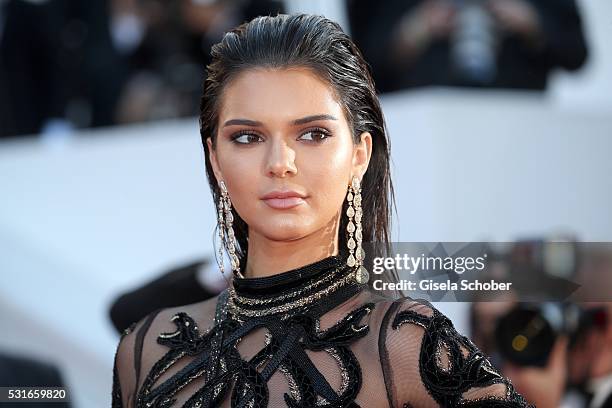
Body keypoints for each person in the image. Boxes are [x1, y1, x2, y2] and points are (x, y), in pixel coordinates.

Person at [111, 14, 533, 407]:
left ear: (359, 154)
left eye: (313, 134)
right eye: (246, 137)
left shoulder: (404, 343)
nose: (280, 162)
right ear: (215, 157)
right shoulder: (144, 349)